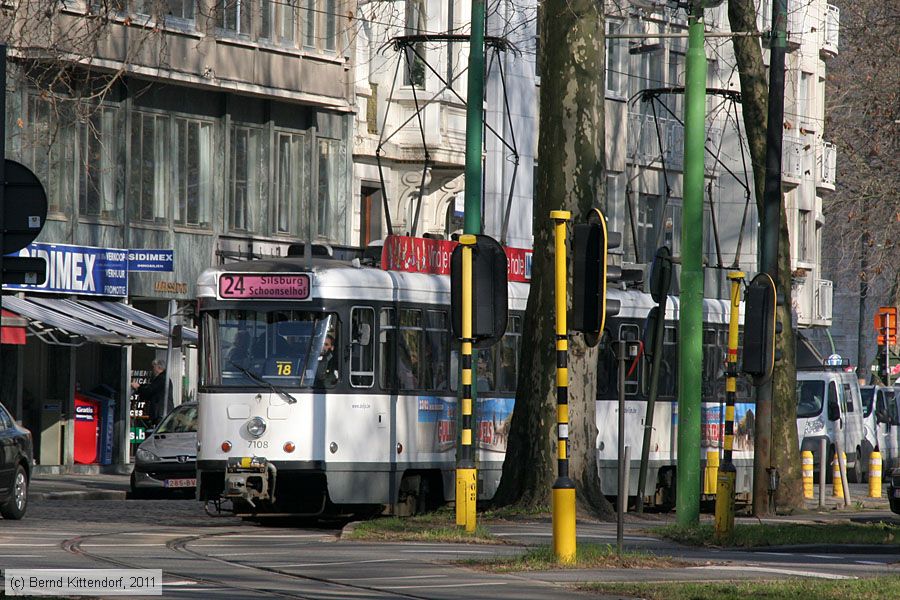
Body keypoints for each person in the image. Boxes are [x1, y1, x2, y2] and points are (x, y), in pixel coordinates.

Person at [131, 359, 173, 427]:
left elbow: (149, 390)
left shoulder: (161, 378)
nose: (153, 369)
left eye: (154, 367)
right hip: (163, 411)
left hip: (160, 412)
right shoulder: (164, 378)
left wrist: (138, 388)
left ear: (158, 368)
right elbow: (151, 388)